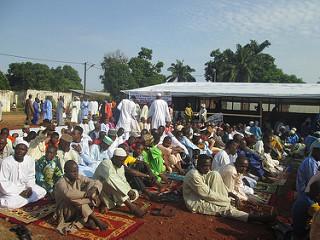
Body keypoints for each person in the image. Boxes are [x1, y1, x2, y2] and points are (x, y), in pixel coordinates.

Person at [183, 154, 273, 223]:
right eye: (204, 166)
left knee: (215, 174)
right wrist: (227, 200)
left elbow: (222, 186)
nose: (207, 168)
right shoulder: (193, 175)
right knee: (225, 209)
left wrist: (232, 195)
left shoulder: (206, 171)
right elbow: (207, 194)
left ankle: (229, 204)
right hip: (196, 202)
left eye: (208, 166)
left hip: (207, 195)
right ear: (198, 165)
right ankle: (254, 218)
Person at [54, 160, 106, 234]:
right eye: (73, 172)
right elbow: (69, 194)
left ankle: (88, 218)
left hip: (78, 207)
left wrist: (93, 189)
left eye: (77, 171)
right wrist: (86, 195)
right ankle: (95, 219)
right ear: (65, 171)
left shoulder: (78, 177)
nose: (76, 173)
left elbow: (95, 182)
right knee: (77, 201)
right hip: (66, 212)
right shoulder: (60, 183)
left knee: (94, 185)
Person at [93, 148, 146, 217]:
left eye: (124, 160)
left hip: (114, 192)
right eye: (121, 160)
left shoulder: (120, 166)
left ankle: (106, 203)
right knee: (112, 184)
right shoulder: (106, 163)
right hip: (100, 188)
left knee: (135, 193)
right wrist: (128, 191)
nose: (122, 163)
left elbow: (123, 181)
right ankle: (131, 206)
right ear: (114, 158)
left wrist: (129, 190)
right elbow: (110, 179)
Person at [0, 139, 46, 209]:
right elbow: (3, 181)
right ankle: (22, 200)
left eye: (23, 149)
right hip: (11, 191)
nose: (20, 151)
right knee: (10, 204)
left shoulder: (30, 160)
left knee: (42, 191)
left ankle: (24, 200)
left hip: (25, 188)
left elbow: (31, 176)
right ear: (15, 149)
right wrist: (20, 192)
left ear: (26, 151)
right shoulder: (6, 162)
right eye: (18, 148)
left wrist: (30, 188)